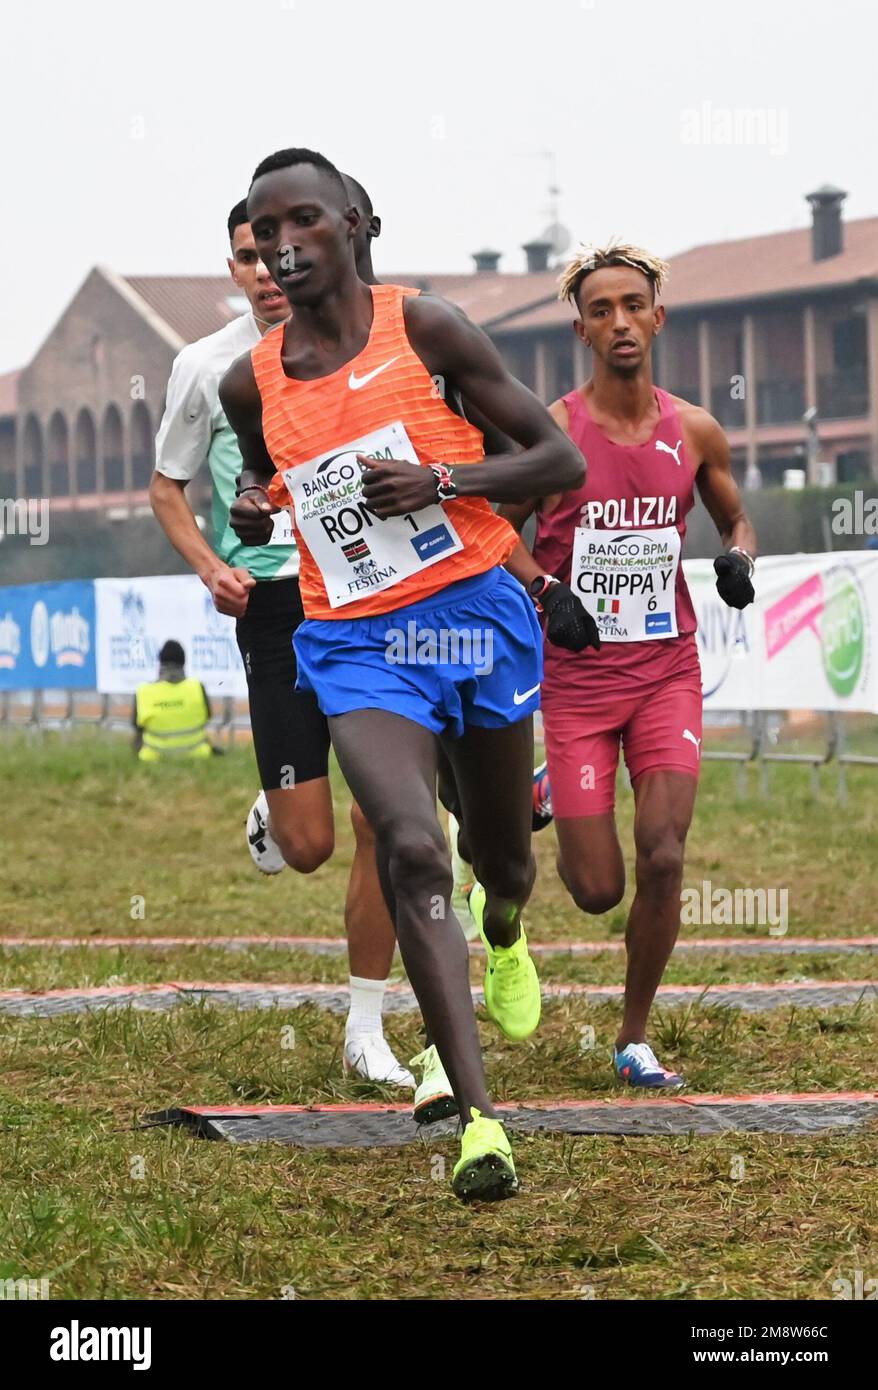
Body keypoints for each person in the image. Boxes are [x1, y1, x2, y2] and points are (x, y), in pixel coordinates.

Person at [221, 146, 585, 1201]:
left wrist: (442, 479)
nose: (282, 246)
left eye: (302, 221)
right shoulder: (252, 379)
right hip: (354, 640)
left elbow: (555, 459)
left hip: (469, 617)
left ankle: (504, 928)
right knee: (413, 849)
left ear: (352, 222)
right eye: (264, 234)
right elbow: (264, 472)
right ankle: (479, 1119)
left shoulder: (425, 328)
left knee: (499, 860)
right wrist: (253, 502)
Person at [149, 193, 413, 1087]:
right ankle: (278, 803)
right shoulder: (208, 368)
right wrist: (209, 567)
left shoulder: (364, 344)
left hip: (368, 597)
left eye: (277, 250)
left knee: (385, 818)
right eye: (247, 256)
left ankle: (367, 1026)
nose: (267, 271)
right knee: (308, 847)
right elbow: (167, 488)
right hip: (275, 605)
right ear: (231, 268)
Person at [500, 240, 756, 1088]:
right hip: (578, 681)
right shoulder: (553, 431)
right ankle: (546, 787)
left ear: (658, 318)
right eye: (601, 310)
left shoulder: (696, 430)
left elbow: (736, 520)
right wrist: (546, 590)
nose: (620, 322)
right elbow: (493, 530)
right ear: (581, 329)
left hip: (665, 672)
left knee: (665, 853)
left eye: (633, 306)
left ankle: (633, 1037)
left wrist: (738, 559)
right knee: (596, 890)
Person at [133, 640, 217, 760]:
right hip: (196, 753)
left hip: (154, 755)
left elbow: (136, 725)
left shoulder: (144, 691)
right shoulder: (197, 687)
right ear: (183, 662)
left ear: (161, 662)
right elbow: (208, 716)